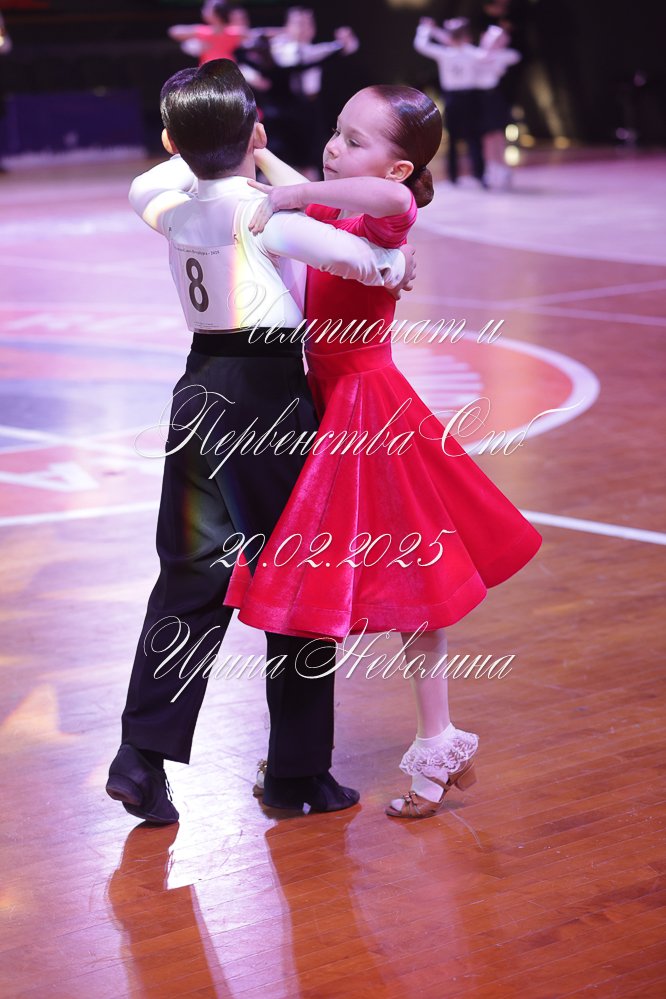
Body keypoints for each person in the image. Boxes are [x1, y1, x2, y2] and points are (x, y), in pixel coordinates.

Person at [105, 60, 416, 825]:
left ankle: (140, 754)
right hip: (266, 397)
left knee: (189, 577)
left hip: (198, 390)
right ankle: (298, 772)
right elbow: (361, 258)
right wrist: (396, 263)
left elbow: (152, 179)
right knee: (299, 574)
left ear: (172, 143)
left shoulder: (165, 205)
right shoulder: (264, 213)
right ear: (257, 132)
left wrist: (202, 143)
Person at [224, 84, 542, 819]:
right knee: (348, 577)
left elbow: (387, 201)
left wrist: (293, 192)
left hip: (368, 412)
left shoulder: (387, 213)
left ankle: (436, 743)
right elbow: (311, 196)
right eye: (336, 131)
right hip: (326, 400)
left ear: (398, 168)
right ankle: (329, 751)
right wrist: (262, 158)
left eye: (355, 141)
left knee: (412, 585)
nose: (334, 147)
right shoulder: (340, 209)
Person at [414, 17, 487, 186]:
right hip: (453, 97)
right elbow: (421, 45)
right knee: (454, 137)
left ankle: (479, 174)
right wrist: (427, 29)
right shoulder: (446, 53)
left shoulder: (470, 52)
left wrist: (433, 30)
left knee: (474, 136)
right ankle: (454, 176)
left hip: (470, 96)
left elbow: (484, 56)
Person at [168, 1, 249, 65]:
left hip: (209, 71)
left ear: (215, 14)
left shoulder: (203, 32)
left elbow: (174, 31)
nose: (203, 11)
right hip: (229, 69)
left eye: (207, 9)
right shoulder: (235, 32)